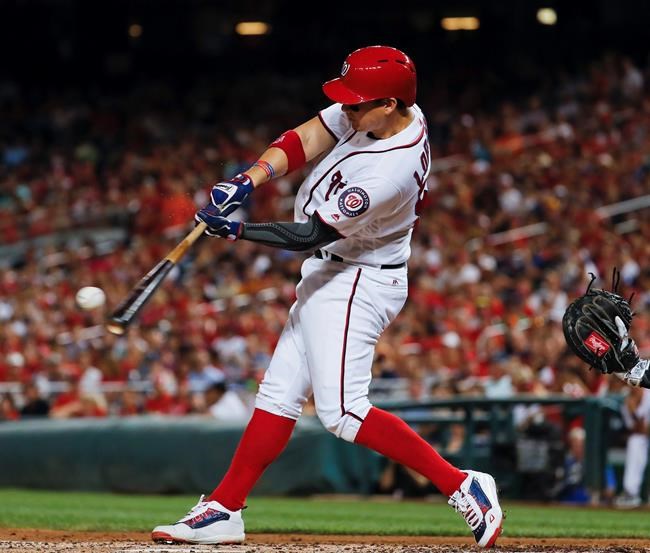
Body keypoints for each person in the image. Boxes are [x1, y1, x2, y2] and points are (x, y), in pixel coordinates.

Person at [151, 45, 503, 548]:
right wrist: (250, 178)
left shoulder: (390, 171)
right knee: (277, 396)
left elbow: (309, 235)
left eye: (359, 103)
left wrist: (235, 231)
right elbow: (310, 135)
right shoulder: (394, 110)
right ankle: (225, 508)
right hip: (334, 270)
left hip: (358, 278)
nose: (349, 110)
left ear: (388, 105)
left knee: (342, 413)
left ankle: (461, 483)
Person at [614, 386, 650, 508]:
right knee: (635, 441)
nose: (633, 387)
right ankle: (631, 493)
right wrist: (633, 411)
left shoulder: (648, 394)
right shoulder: (627, 402)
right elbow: (635, 429)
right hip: (642, 438)